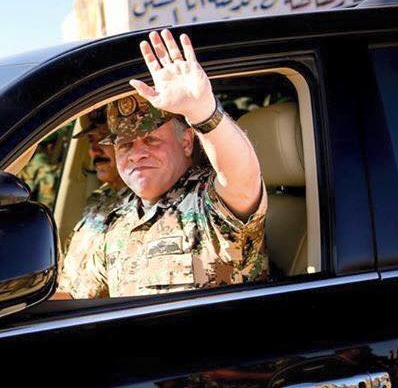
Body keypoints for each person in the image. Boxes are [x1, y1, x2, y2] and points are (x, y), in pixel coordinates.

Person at [83, 29, 268, 298]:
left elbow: (242, 180)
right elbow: (78, 297)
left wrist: (203, 111)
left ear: (186, 141)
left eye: (151, 140)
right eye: (125, 145)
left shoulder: (206, 203)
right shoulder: (118, 221)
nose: (136, 154)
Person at [55, 108, 129, 299]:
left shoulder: (142, 207)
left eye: (103, 139)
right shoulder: (99, 199)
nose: (94, 150)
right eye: (91, 140)